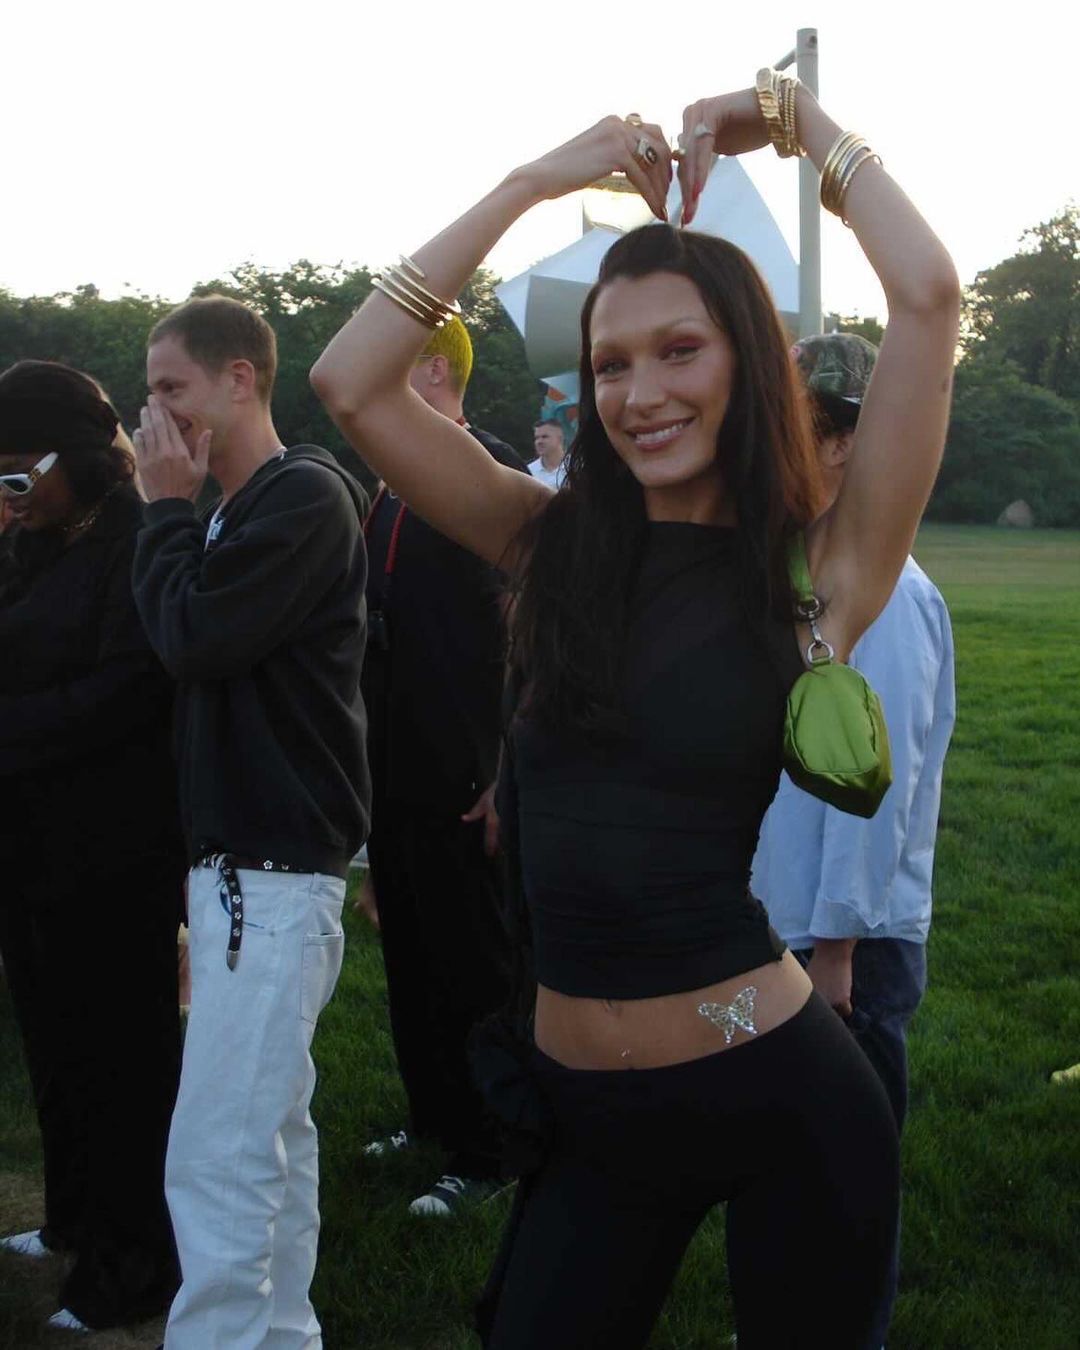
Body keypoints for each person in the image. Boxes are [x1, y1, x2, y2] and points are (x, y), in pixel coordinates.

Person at [311, 77, 959, 1348]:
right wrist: (533, 184)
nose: (640, 391)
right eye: (611, 361)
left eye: (681, 350)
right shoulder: (546, 544)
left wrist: (796, 118)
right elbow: (352, 384)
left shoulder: (814, 579)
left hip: (777, 1095)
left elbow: (928, 297)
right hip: (587, 1121)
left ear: (747, 366)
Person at [130, 295, 370, 1350]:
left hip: (270, 879)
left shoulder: (303, 497)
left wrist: (163, 510)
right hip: (249, 879)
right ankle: (280, 1338)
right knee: (267, 1142)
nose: (157, 417)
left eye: (172, 389)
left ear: (240, 381)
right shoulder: (242, 509)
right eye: (149, 394)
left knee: (221, 1162)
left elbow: (191, 636)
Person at [751, 330, 956, 1343]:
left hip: (845, 953)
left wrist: (834, 951)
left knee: (844, 1188)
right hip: (780, 930)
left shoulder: (893, 599)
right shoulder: (799, 577)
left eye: (797, 429)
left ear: (844, 446)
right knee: (777, 1180)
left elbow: (878, 794)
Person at [0, 361, 185, 1333]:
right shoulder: (31, 539)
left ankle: (135, 1262)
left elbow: (127, 688)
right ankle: (72, 1216)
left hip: (114, 844)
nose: (5, 494)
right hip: (31, 842)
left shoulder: (132, 537)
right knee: (54, 1040)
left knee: (122, 1058)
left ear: (74, 459)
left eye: (16, 475)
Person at [361, 316, 527, 1214]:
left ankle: (491, 1149)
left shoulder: (484, 472)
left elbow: (526, 638)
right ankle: (432, 1116)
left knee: (473, 966)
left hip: (467, 771)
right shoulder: (388, 483)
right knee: (413, 957)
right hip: (396, 768)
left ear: (429, 368)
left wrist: (507, 767)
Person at [528, 418, 568, 488]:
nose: (539, 442)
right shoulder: (529, 471)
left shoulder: (576, 468)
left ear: (560, 439)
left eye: (545, 437)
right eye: (536, 438)